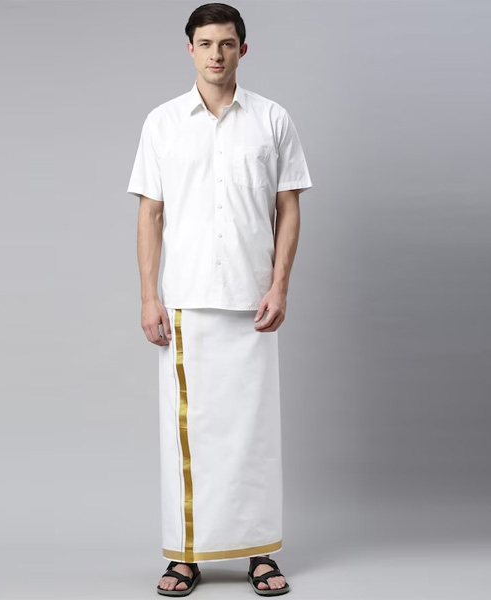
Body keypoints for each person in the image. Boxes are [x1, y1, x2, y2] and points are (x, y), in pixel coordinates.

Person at [127, 3, 312, 596]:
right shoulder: (162, 123)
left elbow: (288, 207)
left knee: (254, 435)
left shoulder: (272, 119)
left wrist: (279, 285)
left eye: (226, 43)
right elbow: (150, 214)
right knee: (188, 433)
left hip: (251, 301)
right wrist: (149, 296)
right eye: (205, 43)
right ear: (190, 49)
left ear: (242, 50)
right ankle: (185, 555)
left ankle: (260, 552)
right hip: (186, 301)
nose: (216, 54)